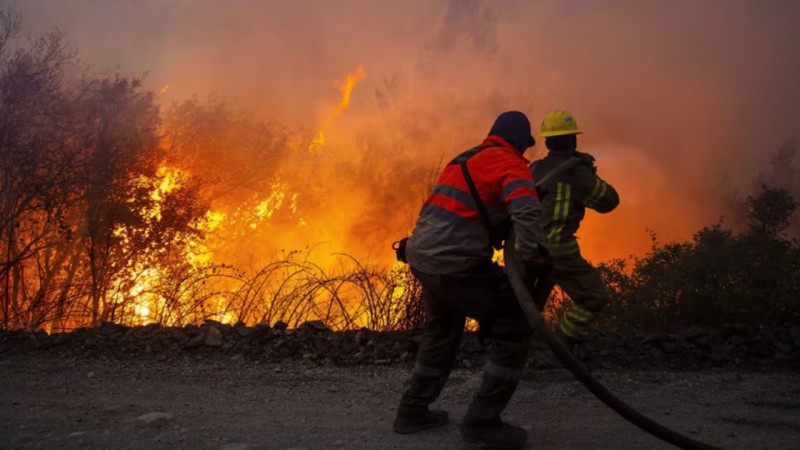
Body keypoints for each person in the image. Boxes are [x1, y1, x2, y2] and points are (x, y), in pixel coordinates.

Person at [393, 111, 548, 449]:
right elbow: (526, 211)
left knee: (442, 329)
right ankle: (482, 423)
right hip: (454, 264)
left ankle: (412, 411)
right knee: (513, 326)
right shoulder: (510, 163)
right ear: (520, 141)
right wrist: (536, 256)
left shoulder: (464, 159)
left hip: (423, 256)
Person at [530, 109, 619, 349]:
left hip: (524, 250)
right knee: (593, 297)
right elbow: (610, 202)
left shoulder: (533, 169)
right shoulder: (577, 174)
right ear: (574, 140)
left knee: (526, 304)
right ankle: (563, 346)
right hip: (557, 252)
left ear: (547, 142)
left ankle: (517, 351)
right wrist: (588, 173)